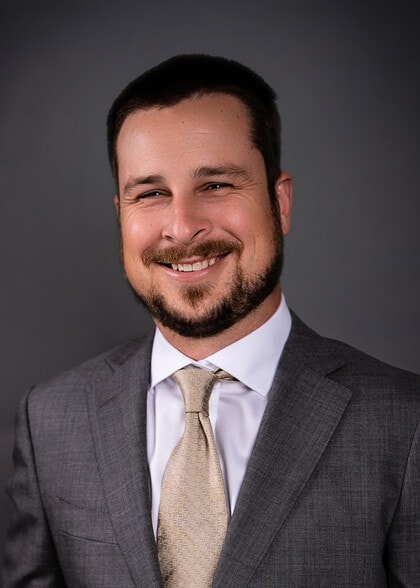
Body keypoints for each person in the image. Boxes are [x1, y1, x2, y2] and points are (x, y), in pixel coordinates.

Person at [2, 54, 419, 587]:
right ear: (121, 214)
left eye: (217, 185)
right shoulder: (51, 422)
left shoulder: (405, 424)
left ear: (280, 203)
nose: (182, 227)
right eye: (151, 194)